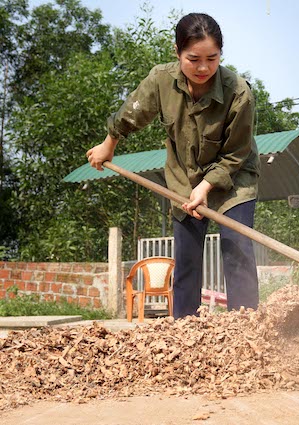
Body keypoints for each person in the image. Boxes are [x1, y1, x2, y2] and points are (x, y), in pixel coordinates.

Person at [86, 13, 260, 318]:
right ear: (177, 52)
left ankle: (245, 329)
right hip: (185, 178)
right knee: (187, 257)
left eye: (212, 58)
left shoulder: (239, 92)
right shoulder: (160, 80)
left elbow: (236, 154)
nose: (204, 67)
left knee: (237, 249)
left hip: (235, 177)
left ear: (221, 54)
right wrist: (108, 145)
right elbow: (130, 114)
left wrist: (207, 186)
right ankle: (184, 329)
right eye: (193, 58)